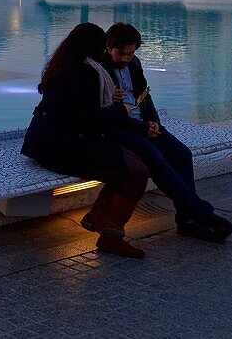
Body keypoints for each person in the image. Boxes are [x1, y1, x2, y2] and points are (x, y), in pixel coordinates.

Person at [21, 23, 149, 258]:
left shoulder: (64, 65)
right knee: (137, 172)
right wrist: (122, 111)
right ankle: (111, 234)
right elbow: (93, 119)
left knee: (131, 161)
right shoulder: (85, 72)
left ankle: (100, 217)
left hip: (50, 143)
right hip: (62, 148)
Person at [103, 23, 232, 242]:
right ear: (109, 47)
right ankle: (200, 212)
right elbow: (106, 113)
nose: (125, 58)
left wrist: (153, 120)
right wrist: (143, 127)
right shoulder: (100, 68)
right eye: (121, 53)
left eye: (130, 53)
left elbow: (145, 96)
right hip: (120, 128)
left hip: (142, 124)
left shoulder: (134, 64)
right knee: (156, 160)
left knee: (181, 154)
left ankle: (186, 218)